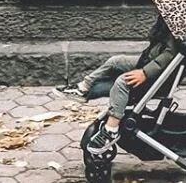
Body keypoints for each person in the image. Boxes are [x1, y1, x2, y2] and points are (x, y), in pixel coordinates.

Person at [56, 15, 178, 155]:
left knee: (122, 81)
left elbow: (169, 55)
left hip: (159, 75)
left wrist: (145, 72)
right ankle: (84, 87)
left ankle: (111, 129)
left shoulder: (179, 28)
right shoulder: (171, 21)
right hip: (150, 62)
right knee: (115, 61)